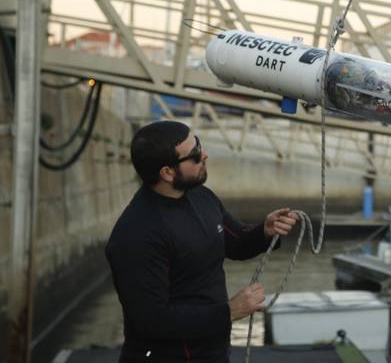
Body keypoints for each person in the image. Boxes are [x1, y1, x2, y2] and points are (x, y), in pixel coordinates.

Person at [105, 120, 298, 362]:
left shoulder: (201, 196)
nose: (204, 154)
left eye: (199, 145)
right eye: (195, 155)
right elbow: (151, 321)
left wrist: (265, 231)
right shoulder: (136, 235)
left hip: (213, 352)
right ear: (167, 172)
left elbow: (235, 241)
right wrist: (229, 312)